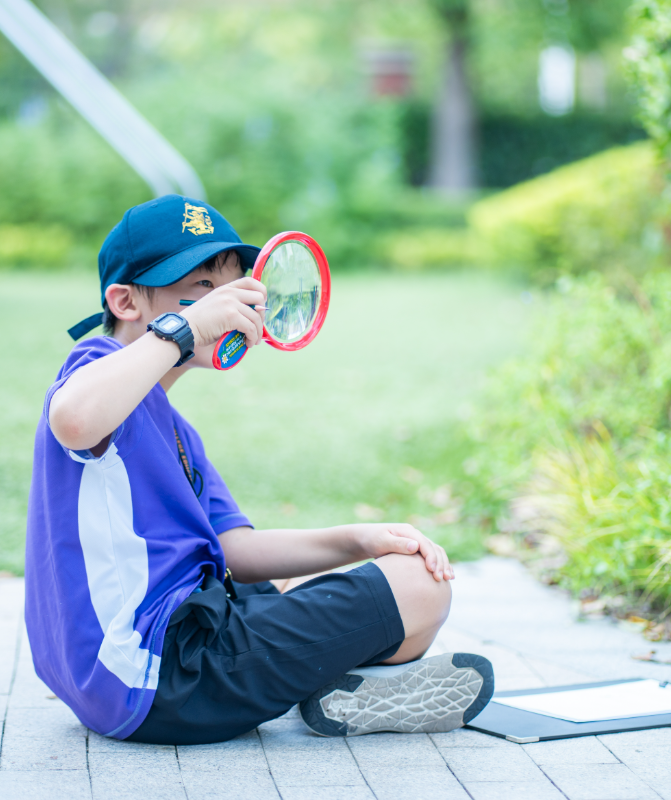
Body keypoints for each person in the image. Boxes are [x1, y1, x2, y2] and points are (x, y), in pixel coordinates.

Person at [24, 195, 493, 746]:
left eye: (233, 286)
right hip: (160, 675)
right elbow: (74, 420)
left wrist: (359, 539)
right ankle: (335, 680)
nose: (226, 303)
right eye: (202, 286)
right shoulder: (94, 366)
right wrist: (184, 328)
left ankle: (349, 689)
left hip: (147, 667)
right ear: (125, 301)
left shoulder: (176, 429)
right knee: (421, 590)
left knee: (329, 580)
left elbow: (238, 552)